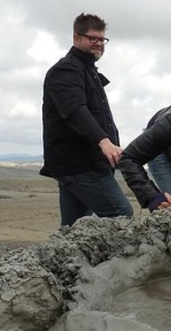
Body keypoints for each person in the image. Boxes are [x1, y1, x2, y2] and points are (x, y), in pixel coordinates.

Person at [40, 13, 133, 226]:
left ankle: (66, 259)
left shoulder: (87, 70)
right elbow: (74, 111)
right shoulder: (66, 70)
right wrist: (104, 142)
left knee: (74, 227)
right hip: (81, 164)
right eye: (93, 39)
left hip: (80, 164)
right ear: (76, 38)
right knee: (121, 215)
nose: (99, 44)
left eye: (102, 40)